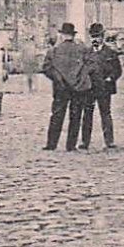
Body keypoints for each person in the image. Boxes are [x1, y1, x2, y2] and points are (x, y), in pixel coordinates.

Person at [40, 22, 92, 151]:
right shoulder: (82, 49)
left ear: (62, 35)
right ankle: (71, 145)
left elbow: (46, 68)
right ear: (73, 35)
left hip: (60, 88)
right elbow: (89, 67)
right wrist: (79, 80)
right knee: (75, 116)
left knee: (57, 115)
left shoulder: (54, 51)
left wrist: (58, 79)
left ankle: (51, 144)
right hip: (77, 88)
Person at [77, 23, 124, 149]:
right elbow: (81, 70)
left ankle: (109, 141)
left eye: (97, 36)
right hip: (89, 89)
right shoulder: (86, 53)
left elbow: (118, 70)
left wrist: (111, 78)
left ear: (103, 37)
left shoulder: (111, 53)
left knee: (105, 114)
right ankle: (84, 142)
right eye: (93, 37)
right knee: (87, 114)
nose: (95, 39)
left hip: (104, 89)